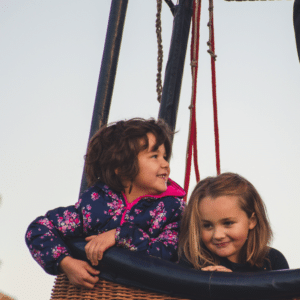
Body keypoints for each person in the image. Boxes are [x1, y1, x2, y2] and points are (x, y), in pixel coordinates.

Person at [25, 118, 185, 288]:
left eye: (165, 156)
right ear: (122, 167)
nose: (165, 164)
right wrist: (66, 263)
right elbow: (40, 228)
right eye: (154, 156)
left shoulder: (172, 210)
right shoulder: (95, 204)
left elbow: (169, 253)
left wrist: (120, 235)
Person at [178, 172, 289, 272]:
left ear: (252, 221)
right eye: (207, 225)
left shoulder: (273, 262)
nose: (217, 235)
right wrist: (203, 285)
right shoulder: (192, 261)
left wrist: (232, 286)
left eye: (228, 223)